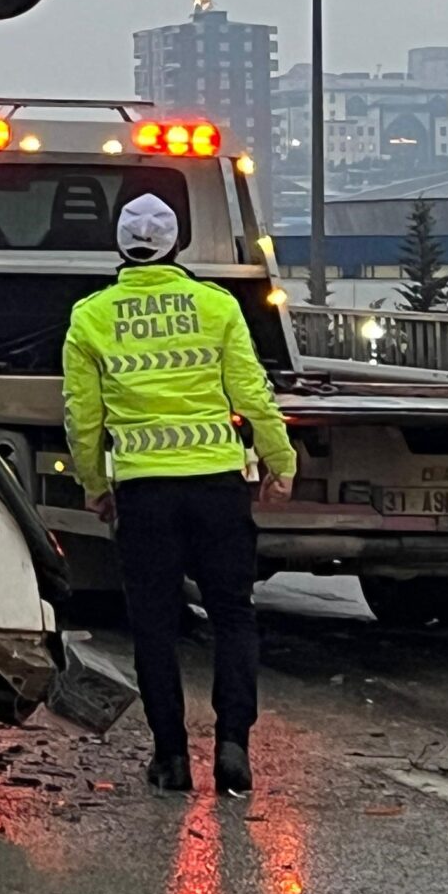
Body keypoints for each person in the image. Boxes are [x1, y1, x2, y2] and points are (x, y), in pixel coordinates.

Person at [62, 191, 295, 796]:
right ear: (177, 244)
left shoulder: (91, 317)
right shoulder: (216, 307)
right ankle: (233, 745)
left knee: (155, 626)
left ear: (121, 246)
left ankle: (170, 758)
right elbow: (252, 393)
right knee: (233, 617)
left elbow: (82, 419)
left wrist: (94, 485)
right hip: (218, 487)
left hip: (144, 492)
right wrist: (280, 460)